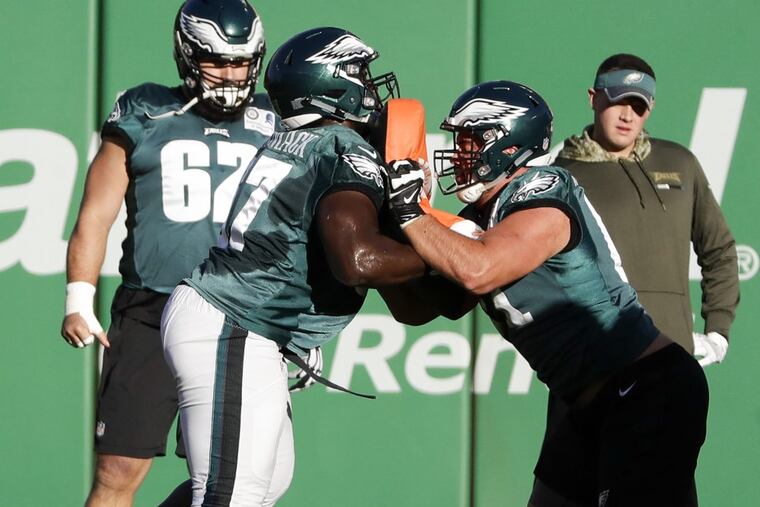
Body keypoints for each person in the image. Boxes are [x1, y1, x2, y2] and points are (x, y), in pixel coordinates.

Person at [381, 81, 709, 506]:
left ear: (509, 144)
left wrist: (410, 211)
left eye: (469, 141)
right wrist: (384, 232)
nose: (459, 155)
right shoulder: (481, 214)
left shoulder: (544, 193)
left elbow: (478, 269)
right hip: (584, 402)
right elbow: (424, 308)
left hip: (644, 390)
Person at [160, 26, 427, 506]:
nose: (371, 87)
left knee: (260, 485)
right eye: (359, 74)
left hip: (236, 320)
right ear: (330, 85)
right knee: (230, 494)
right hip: (238, 322)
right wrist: (441, 251)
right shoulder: (343, 146)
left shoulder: (294, 141)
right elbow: (358, 261)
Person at [59, 1, 274, 505]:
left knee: (232, 474)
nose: (231, 73)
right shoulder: (145, 111)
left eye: (242, 61)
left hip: (240, 314)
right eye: (217, 60)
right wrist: (77, 296)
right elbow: (96, 213)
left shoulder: (277, 119)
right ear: (186, 56)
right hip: (151, 309)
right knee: (118, 470)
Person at [554, 53, 739, 364]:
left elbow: (719, 249)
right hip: (592, 362)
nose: (628, 115)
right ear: (593, 98)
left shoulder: (680, 163)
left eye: (639, 106)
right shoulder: (560, 175)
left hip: (672, 354)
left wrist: (718, 331)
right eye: (618, 101)